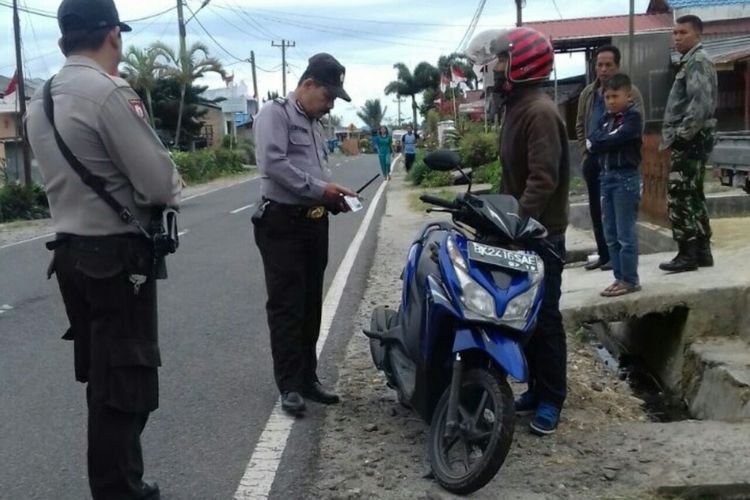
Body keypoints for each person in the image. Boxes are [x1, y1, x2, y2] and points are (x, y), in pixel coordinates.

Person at [24, 0, 181, 498]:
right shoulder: (109, 93)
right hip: (117, 258)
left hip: (70, 254)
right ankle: (119, 490)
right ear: (113, 35)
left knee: (104, 377)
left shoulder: (41, 98)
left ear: (63, 39)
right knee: (126, 382)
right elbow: (159, 184)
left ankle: (123, 482)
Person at [467, 27, 570, 435]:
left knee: (544, 318)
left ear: (522, 64)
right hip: (522, 232)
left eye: (503, 59)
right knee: (518, 315)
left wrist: (515, 224)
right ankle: (535, 389)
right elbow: (515, 175)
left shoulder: (539, 111)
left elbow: (542, 180)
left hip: (540, 235)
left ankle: (552, 399)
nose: (495, 67)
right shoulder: (517, 106)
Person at [252, 53, 356, 416]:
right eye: (328, 96)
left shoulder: (315, 124)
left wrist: (332, 199)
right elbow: (273, 164)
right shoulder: (274, 114)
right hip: (281, 223)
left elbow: (317, 173)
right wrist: (320, 190)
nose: (329, 106)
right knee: (286, 305)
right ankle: (289, 385)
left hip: (313, 222)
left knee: (312, 301)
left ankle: (308, 378)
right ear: (308, 84)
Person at [575, 45, 644, 272]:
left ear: (617, 66)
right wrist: (586, 152)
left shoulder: (630, 93)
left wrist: (601, 141)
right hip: (594, 160)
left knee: (622, 222)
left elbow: (631, 128)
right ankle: (605, 255)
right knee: (598, 211)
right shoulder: (588, 93)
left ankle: (625, 271)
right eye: (599, 65)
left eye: (608, 65)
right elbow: (581, 125)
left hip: (619, 163)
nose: (603, 70)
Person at [659, 14, 718, 273]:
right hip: (694, 136)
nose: (677, 37)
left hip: (692, 137)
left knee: (679, 194)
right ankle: (702, 251)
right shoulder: (691, 61)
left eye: (682, 32)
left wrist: (683, 136)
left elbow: (700, 104)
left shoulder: (697, 61)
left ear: (697, 34)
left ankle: (687, 253)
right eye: (675, 33)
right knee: (693, 194)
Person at [587, 73, 644, 297]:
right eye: (607, 97)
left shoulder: (633, 118)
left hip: (625, 178)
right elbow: (592, 140)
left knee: (625, 233)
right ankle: (619, 277)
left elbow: (613, 139)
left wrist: (602, 141)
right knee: (610, 232)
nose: (611, 101)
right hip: (606, 177)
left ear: (627, 96)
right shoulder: (604, 119)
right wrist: (603, 140)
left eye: (615, 96)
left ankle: (630, 279)